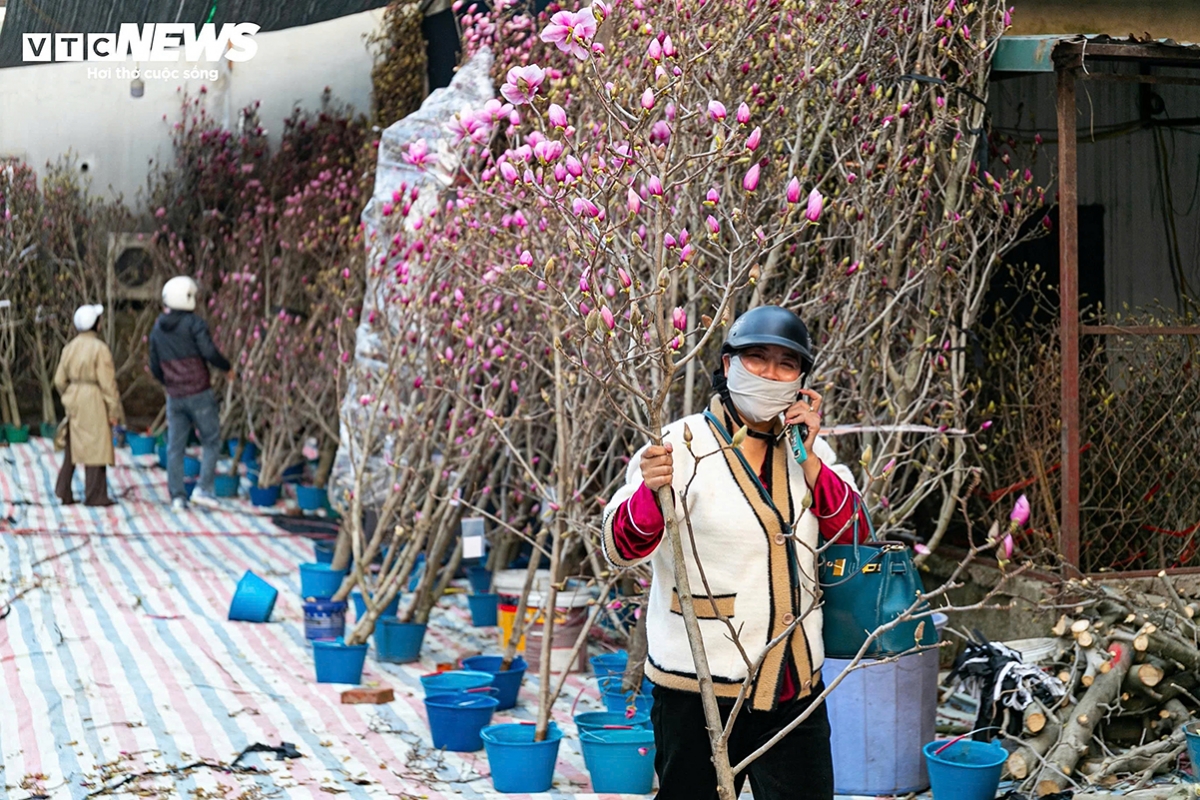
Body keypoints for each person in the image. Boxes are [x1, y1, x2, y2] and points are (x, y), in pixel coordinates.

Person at [601, 305, 871, 800]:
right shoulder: (680, 445)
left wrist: (810, 457)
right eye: (756, 358)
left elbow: (855, 532)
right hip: (699, 687)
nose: (769, 373)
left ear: (801, 381)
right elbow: (620, 548)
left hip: (794, 685)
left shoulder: (808, 452)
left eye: (786, 364)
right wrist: (650, 494)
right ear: (728, 365)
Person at [149, 276, 233, 512]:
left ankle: (177, 496)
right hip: (199, 392)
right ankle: (203, 489)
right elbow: (209, 352)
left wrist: (169, 382)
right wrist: (227, 367)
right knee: (211, 441)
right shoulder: (194, 324)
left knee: (175, 447)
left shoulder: (157, 328)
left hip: (174, 396)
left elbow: (154, 366)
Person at [54, 304, 124, 507]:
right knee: (96, 446)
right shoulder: (99, 349)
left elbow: (59, 380)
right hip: (93, 398)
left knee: (73, 445)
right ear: (96, 324)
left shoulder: (69, 347)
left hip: (75, 396)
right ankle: (95, 495)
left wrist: (69, 395)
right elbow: (108, 384)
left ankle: (63, 489)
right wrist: (114, 410)